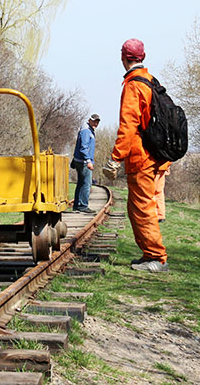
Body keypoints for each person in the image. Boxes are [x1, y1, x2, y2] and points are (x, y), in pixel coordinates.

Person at [103, 38, 170, 273]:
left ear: (123, 57)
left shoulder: (134, 85)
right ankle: (148, 255)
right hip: (151, 156)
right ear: (142, 57)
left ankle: (157, 258)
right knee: (137, 208)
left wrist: (115, 158)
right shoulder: (150, 81)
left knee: (142, 208)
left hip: (140, 158)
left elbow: (128, 125)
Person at [71, 114, 101, 213]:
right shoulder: (86, 131)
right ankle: (83, 205)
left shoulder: (88, 130)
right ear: (89, 120)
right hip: (83, 161)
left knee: (81, 183)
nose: (96, 123)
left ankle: (77, 205)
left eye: (97, 122)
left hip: (80, 160)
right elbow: (83, 147)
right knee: (87, 184)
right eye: (94, 121)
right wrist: (88, 161)